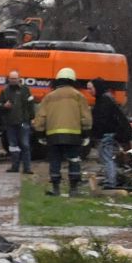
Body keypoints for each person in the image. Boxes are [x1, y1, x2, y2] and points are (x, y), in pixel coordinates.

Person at [34, 66, 93, 197]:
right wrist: (86, 133)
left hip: (53, 135)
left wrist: (39, 133)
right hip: (73, 135)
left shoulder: (49, 97)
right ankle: (74, 189)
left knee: (55, 161)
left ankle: (56, 189)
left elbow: (41, 117)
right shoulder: (79, 96)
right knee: (74, 160)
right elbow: (86, 118)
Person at [90, 79, 132, 191]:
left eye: (91, 88)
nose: (89, 91)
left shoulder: (103, 101)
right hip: (112, 134)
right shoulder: (107, 99)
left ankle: (111, 181)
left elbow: (102, 120)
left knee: (107, 158)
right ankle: (114, 178)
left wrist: (96, 132)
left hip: (107, 134)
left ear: (97, 88)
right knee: (110, 158)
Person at [0, 71, 35, 175]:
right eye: (11, 78)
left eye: (15, 78)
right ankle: (15, 167)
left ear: (19, 78)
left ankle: (27, 168)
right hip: (10, 123)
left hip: (23, 122)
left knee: (25, 145)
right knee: (13, 146)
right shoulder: (4, 91)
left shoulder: (25, 90)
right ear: (8, 79)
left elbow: (30, 105)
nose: (13, 80)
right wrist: (4, 106)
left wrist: (32, 118)